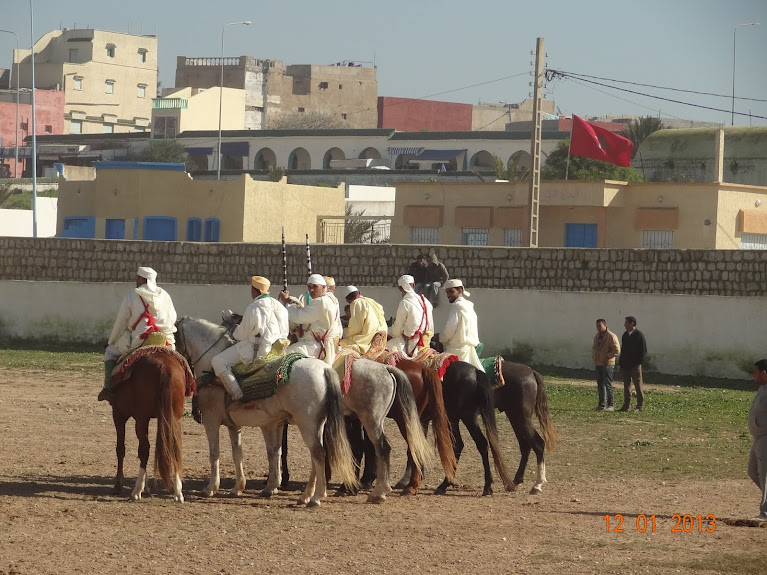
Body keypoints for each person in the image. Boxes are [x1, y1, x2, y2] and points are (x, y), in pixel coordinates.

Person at [99, 266, 177, 402]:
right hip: (165, 339)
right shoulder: (164, 295)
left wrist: (111, 341)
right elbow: (173, 317)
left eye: (137, 278)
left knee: (110, 352)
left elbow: (121, 322)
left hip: (140, 339)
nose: (136, 280)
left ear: (141, 278)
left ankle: (107, 389)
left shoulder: (132, 295)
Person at [210, 276, 289, 400]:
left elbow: (241, 335)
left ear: (254, 290)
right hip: (277, 349)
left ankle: (237, 395)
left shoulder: (254, 307)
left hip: (258, 350)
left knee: (218, 361)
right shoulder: (278, 305)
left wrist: (235, 329)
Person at [280, 274, 339, 365]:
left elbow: (298, 317)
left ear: (323, 287)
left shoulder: (320, 302)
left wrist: (287, 303)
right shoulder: (332, 299)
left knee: (283, 356)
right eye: (309, 287)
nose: (311, 290)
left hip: (315, 345)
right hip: (325, 341)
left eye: (315, 287)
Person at [438, 279, 483, 371]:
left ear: (460, 290)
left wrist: (440, 338)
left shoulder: (457, 307)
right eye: (447, 292)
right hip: (469, 349)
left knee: (437, 368)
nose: (448, 295)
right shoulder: (469, 306)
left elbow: (449, 329)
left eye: (451, 291)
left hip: (457, 350)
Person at [387, 274, 434, 357]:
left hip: (412, 343)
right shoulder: (426, 301)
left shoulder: (405, 303)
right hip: (426, 341)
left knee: (385, 349)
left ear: (400, 288)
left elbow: (397, 330)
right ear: (413, 285)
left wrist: (387, 331)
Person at [340, 286, 388, 355]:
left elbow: (356, 328)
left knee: (341, 344)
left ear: (348, 300)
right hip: (382, 334)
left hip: (367, 339)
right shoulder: (370, 300)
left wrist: (343, 333)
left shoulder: (356, 303)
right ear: (359, 292)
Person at [747, 359, 767, 522]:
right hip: (758, 437)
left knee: (765, 475)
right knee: (753, 471)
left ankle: (765, 512)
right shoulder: (762, 388)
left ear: (764, 373)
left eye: (756, 372)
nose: (753, 375)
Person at [618, 315, 647, 412]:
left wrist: (637, 363)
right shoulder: (625, 335)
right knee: (626, 386)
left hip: (635, 366)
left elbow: (643, 351)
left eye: (626, 323)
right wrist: (621, 362)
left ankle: (639, 406)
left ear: (632, 324)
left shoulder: (639, 335)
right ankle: (626, 405)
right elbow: (623, 350)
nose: (624, 325)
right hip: (625, 365)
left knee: (638, 385)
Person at [592, 319, 621, 412]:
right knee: (600, 384)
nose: (598, 328)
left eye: (600, 326)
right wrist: (595, 357)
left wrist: (607, 356)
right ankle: (601, 404)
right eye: (597, 326)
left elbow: (617, 350)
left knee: (608, 384)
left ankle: (610, 405)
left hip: (608, 364)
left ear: (604, 325)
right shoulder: (597, 336)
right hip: (599, 363)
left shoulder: (611, 336)